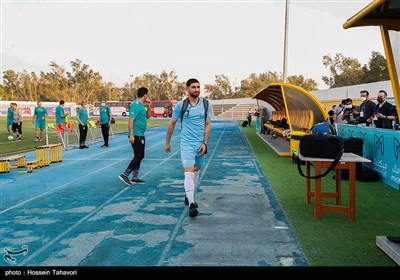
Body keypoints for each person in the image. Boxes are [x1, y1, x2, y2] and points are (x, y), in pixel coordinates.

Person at [164, 78, 212, 218]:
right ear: (187, 89)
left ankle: (188, 195)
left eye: (198, 86)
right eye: (193, 87)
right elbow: (172, 123)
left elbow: (208, 124)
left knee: (196, 170)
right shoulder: (181, 105)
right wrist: (167, 142)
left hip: (200, 144)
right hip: (186, 144)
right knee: (189, 171)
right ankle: (191, 203)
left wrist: (205, 143)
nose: (196, 89)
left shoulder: (206, 104)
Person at [119, 87, 152, 186]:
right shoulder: (135, 105)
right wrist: (132, 135)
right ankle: (125, 174)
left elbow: (148, 116)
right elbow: (130, 120)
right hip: (136, 134)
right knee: (139, 155)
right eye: (147, 95)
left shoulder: (142, 105)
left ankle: (135, 177)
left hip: (140, 133)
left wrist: (149, 106)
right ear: (145, 95)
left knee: (138, 155)